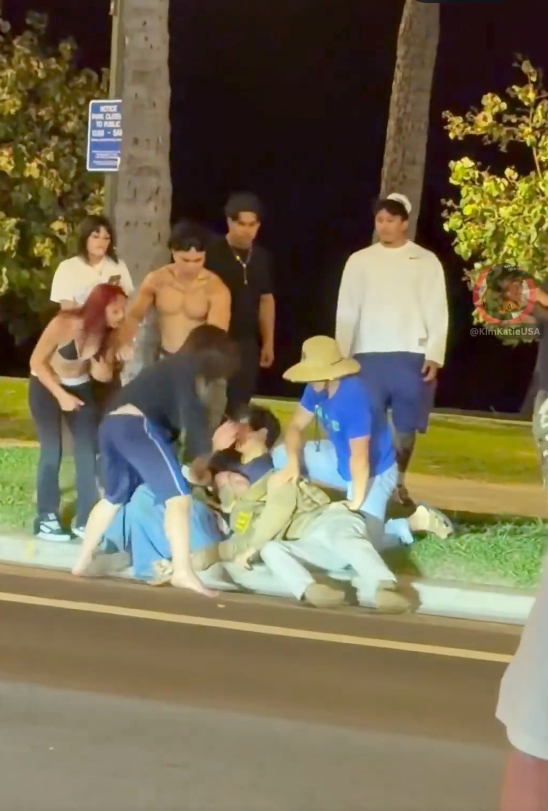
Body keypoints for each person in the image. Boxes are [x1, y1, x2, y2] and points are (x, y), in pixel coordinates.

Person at [71, 325, 240, 598]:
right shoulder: (188, 368)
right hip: (137, 425)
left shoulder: (166, 368)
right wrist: (204, 448)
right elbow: (193, 416)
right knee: (179, 498)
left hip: (111, 424)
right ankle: (182, 571)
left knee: (113, 498)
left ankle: (82, 561)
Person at [335, 193, 449, 507]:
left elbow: (437, 309)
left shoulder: (425, 261)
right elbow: (347, 311)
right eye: (380, 220)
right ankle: (365, 482)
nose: (384, 226)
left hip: (411, 354)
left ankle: (398, 481)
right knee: (366, 421)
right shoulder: (359, 260)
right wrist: (341, 357)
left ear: (404, 223)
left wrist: (434, 353)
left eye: (391, 220)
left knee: (405, 425)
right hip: (366, 356)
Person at [272, 336, 399, 545]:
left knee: (361, 541)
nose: (310, 379)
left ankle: (406, 525)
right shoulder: (316, 387)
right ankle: (302, 504)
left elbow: (360, 457)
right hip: (340, 460)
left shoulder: (354, 397)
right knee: (280, 456)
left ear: (331, 372)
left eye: (314, 373)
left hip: (374, 471)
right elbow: (294, 426)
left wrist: (354, 503)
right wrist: (293, 464)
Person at [29, 283, 128, 541]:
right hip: (46, 385)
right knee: (52, 450)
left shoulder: (110, 333)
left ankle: (86, 518)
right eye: (116, 311)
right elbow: (36, 361)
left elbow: (101, 377)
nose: (121, 317)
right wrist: (60, 395)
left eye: (123, 311)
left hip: (80, 387)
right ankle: (46, 518)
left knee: (87, 450)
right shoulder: (65, 323)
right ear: (99, 308)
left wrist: (113, 358)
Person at [205, 192, 276, 417]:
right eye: (241, 224)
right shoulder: (211, 252)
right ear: (229, 222)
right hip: (216, 339)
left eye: (252, 225)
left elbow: (266, 299)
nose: (247, 230)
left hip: (246, 342)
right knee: (212, 402)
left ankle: (235, 438)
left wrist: (268, 342)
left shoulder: (261, 256)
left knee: (241, 403)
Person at [122, 220, 230, 358]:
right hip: (165, 356)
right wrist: (125, 342)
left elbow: (217, 335)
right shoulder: (156, 280)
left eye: (198, 260)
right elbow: (135, 316)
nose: (191, 266)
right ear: (173, 253)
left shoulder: (215, 288)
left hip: (198, 360)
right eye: (185, 260)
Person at [50, 215, 133, 309]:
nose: (101, 242)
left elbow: (127, 302)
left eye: (106, 238)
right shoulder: (67, 268)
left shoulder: (118, 266)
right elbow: (67, 310)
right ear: (85, 238)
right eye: (95, 237)